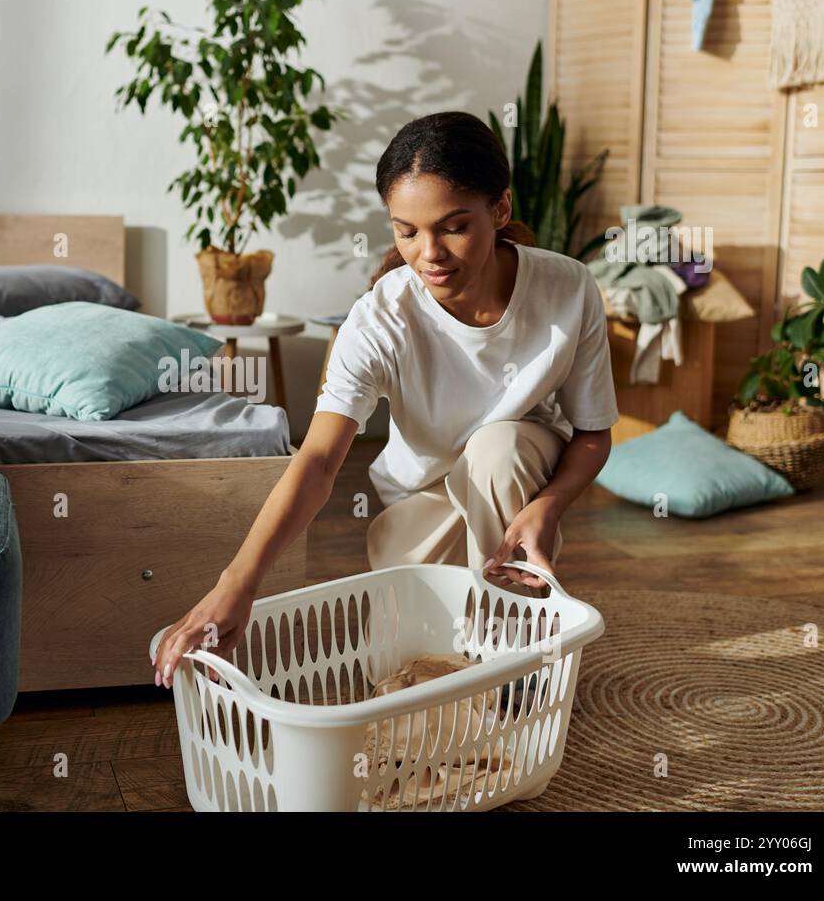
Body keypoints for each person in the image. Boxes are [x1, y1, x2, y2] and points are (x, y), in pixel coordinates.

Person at [153, 110, 618, 688]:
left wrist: (548, 507)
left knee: (499, 447)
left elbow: (594, 433)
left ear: (500, 210)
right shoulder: (379, 319)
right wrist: (236, 584)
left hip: (514, 485)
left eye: (453, 226)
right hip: (421, 506)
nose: (430, 253)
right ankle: (490, 652)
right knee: (407, 680)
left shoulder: (568, 287)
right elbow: (319, 459)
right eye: (407, 231)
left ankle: (513, 667)